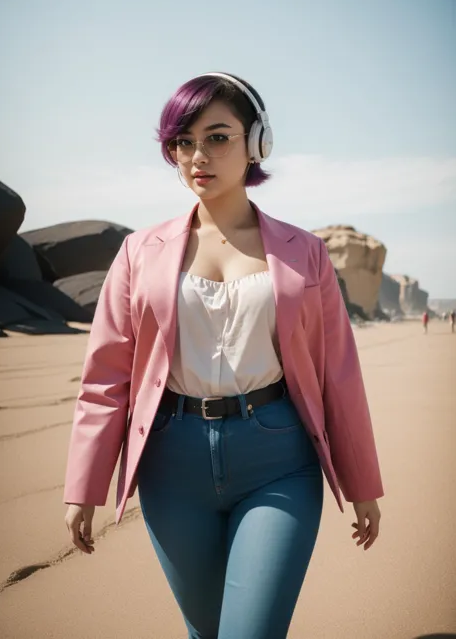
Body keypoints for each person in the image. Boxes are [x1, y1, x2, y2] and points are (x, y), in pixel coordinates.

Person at [64, 72, 383, 639]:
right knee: (206, 631)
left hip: (279, 461)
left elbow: (339, 374)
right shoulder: (140, 252)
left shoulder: (304, 251)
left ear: (255, 143)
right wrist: (84, 488)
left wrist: (362, 483)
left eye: (216, 137)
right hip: (171, 464)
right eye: (182, 143)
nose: (196, 157)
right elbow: (106, 378)